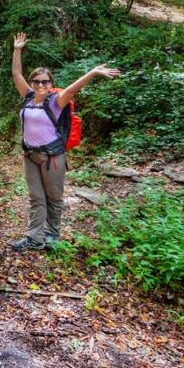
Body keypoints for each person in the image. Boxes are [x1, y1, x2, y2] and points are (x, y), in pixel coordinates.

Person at [9, 32, 121, 251]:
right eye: (36, 81)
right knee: (36, 198)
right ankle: (34, 238)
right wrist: (17, 49)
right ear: (32, 83)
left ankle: (51, 235)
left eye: (45, 81)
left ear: (51, 83)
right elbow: (16, 73)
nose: (40, 84)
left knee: (53, 196)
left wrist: (93, 72)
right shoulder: (28, 97)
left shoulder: (56, 101)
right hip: (30, 155)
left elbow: (73, 88)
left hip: (52, 157)